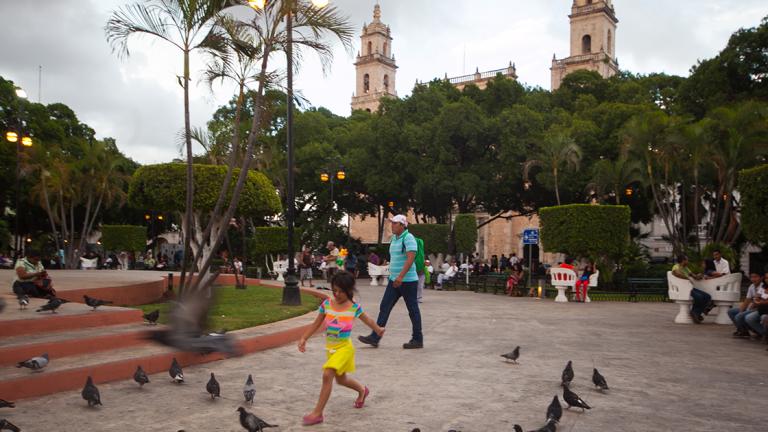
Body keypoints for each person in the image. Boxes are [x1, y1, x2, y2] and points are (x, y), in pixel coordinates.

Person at [298, 271, 384, 426]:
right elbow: (316, 323)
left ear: (349, 290)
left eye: (341, 291)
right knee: (341, 380)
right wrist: (304, 337)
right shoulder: (326, 304)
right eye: (334, 290)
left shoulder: (354, 307)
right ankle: (362, 390)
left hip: (345, 349)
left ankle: (317, 413)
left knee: (327, 375)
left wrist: (378, 329)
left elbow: (368, 320)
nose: (337, 294)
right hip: (330, 350)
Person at [359, 214, 424, 349]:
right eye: (392, 223)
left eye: (395, 223)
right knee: (385, 307)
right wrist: (394, 276)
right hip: (394, 280)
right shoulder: (394, 238)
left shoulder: (408, 238)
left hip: (407, 281)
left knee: (413, 310)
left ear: (402, 225)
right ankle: (375, 336)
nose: (392, 225)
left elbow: (410, 259)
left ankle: (417, 339)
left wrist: (400, 276)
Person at [672, 255, 713, 323]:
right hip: (683, 289)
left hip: (690, 288)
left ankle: (696, 312)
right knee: (699, 297)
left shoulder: (686, 268)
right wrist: (687, 277)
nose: (688, 261)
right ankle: (695, 313)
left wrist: (699, 276)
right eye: (687, 260)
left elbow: (694, 277)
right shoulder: (676, 266)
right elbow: (676, 273)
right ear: (683, 260)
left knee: (707, 296)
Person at [728, 271, 763, 338]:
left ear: (761, 278)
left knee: (739, 316)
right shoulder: (751, 286)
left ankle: (760, 332)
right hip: (751, 308)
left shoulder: (763, 287)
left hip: (758, 308)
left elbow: (758, 302)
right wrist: (741, 310)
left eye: (755, 277)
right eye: (751, 277)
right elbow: (747, 300)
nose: (753, 279)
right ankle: (743, 331)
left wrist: (742, 313)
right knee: (732, 312)